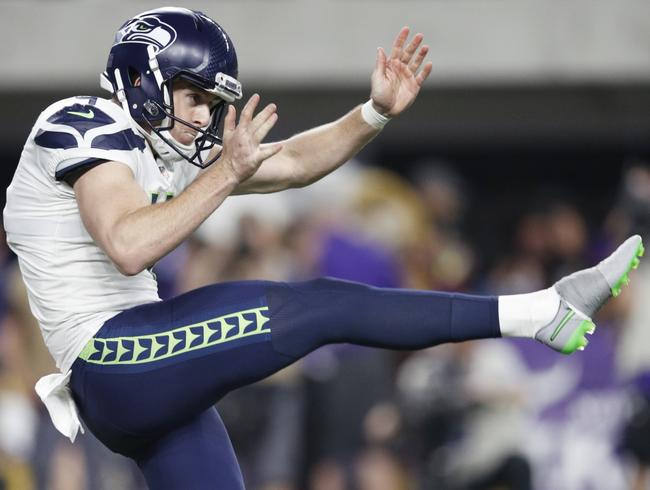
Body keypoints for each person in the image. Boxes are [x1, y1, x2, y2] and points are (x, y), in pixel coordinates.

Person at [2, 6, 644, 489]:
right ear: (144, 79)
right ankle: (541, 312)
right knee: (321, 306)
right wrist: (226, 173)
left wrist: (373, 114)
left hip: (144, 381)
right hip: (113, 360)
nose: (202, 117)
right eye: (193, 96)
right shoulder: (86, 122)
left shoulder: (163, 153)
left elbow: (296, 162)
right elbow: (126, 244)